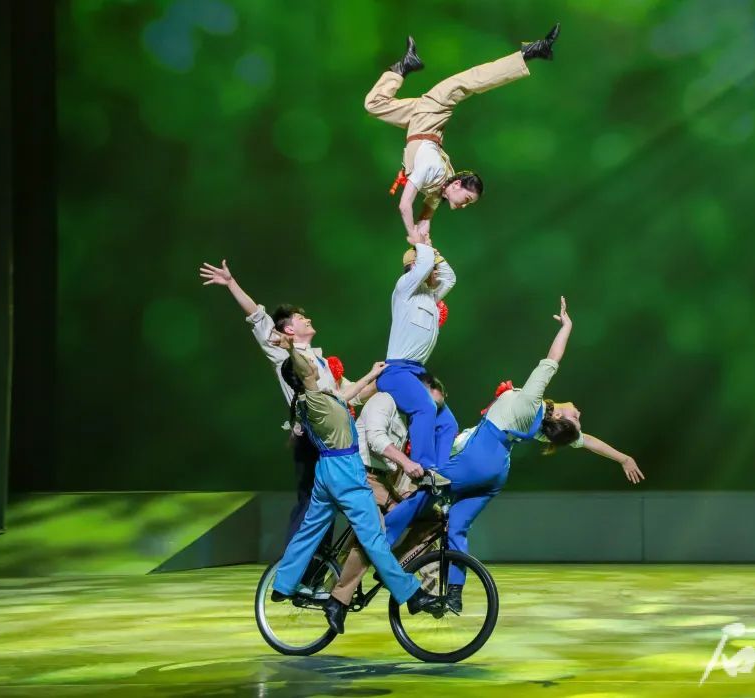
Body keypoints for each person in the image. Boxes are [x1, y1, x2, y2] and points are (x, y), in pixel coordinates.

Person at [382, 297, 644, 613]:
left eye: (576, 417)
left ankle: (380, 546)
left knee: (425, 489)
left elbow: (553, 358)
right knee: (458, 526)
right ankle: (454, 594)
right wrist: (623, 458)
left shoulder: (532, 401)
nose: (580, 413)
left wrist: (566, 327)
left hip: (478, 460)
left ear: (561, 417)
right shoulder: (541, 427)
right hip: (496, 476)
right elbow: (587, 442)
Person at [199, 259, 373, 572]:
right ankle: (291, 571)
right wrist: (231, 282)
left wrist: (391, 376)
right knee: (309, 504)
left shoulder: (321, 363)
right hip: (311, 437)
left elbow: (352, 394)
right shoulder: (281, 351)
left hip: (331, 440)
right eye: (302, 318)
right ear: (289, 328)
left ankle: (315, 572)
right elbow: (257, 316)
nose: (308, 319)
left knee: (326, 506)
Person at [269, 334, 441, 622]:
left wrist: (372, 375)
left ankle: (283, 584)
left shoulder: (314, 399)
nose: (314, 363)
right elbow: (306, 371)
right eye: (310, 362)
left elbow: (348, 396)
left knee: (310, 530)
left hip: (327, 471)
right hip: (345, 471)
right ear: (304, 373)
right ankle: (411, 594)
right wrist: (290, 349)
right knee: (374, 537)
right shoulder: (315, 397)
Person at [364, 24, 561, 237]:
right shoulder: (433, 170)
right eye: (467, 199)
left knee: (374, 104)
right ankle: (530, 52)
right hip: (431, 113)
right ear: (457, 184)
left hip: (420, 122)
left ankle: (404, 65)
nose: (464, 205)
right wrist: (414, 233)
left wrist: (424, 223)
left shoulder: (440, 187)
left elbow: (431, 203)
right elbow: (405, 205)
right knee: (468, 81)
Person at [323, 373, 451, 633]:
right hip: (360, 476)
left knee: (432, 518)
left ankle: (392, 566)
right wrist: (407, 464)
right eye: (429, 402)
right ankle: (338, 600)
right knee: (375, 533)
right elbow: (376, 439)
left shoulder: (409, 416)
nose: (429, 410)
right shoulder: (384, 400)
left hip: (383, 481)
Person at [376, 229, 458, 479]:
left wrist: (434, 253)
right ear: (415, 267)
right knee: (425, 407)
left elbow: (450, 277)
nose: (436, 272)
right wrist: (422, 245)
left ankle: (440, 473)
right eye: (433, 268)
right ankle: (425, 470)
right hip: (396, 371)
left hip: (417, 372)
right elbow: (423, 266)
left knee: (448, 423)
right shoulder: (405, 289)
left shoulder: (430, 296)